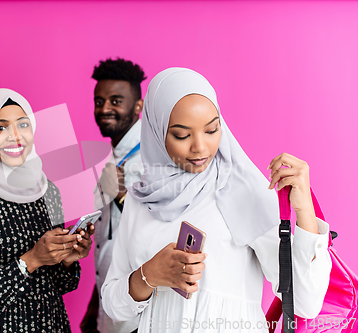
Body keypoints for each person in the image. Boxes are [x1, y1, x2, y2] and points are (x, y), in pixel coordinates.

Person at [101, 68, 332, 333]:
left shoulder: (241, 190)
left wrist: (304, 211)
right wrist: (149, 275)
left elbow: (305, 302)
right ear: (156, 131)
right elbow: (114, 305)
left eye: (212, 129)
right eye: (182, 135)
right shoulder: (140, 200)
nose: (200, 147)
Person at [0, 88, 94, 332]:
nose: (15, 136)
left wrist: (67, 259)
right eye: (0, 128)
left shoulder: (47, 191)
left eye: (23, 125)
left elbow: (57, 285)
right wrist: (30, 260)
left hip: (50, 324)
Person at [81, 58, 146, 333]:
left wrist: (120, 195)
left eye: (116, 101)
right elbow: (108, 241)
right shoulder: (113, 157)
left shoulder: (154, 157)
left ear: (138, 107)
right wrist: (95, 304)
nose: (105, 109)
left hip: (138, 316)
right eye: (99, 101)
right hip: (109, 311)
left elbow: (158, 231)